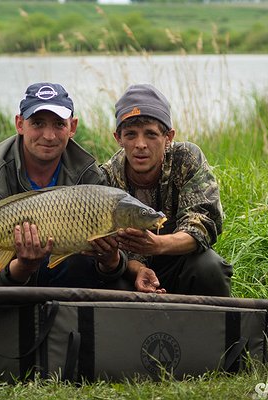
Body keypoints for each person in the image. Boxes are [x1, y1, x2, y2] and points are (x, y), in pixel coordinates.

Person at [0, 82, 126, 288]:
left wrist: (111, 261)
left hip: (62, 273)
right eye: (38, 123)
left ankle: (60, 317)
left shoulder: (89, 175)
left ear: (72, 127)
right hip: (6, 274)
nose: (49, 136)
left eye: (59, 124)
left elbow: (110, 265)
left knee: (87, 263)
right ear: (20, 124)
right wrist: (22, 268)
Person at [100, 83, 233, 296]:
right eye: (131, 135)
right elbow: (112, 250)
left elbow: (202, 224)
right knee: (106, 280)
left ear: (168, 137)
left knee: (209, 266)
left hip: (179, 260)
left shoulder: (186, 158)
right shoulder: (106, 177)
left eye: (151, 135)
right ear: (118, 138)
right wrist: (139, 270)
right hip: (131, 271)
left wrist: (158, 244)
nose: (140, 144)